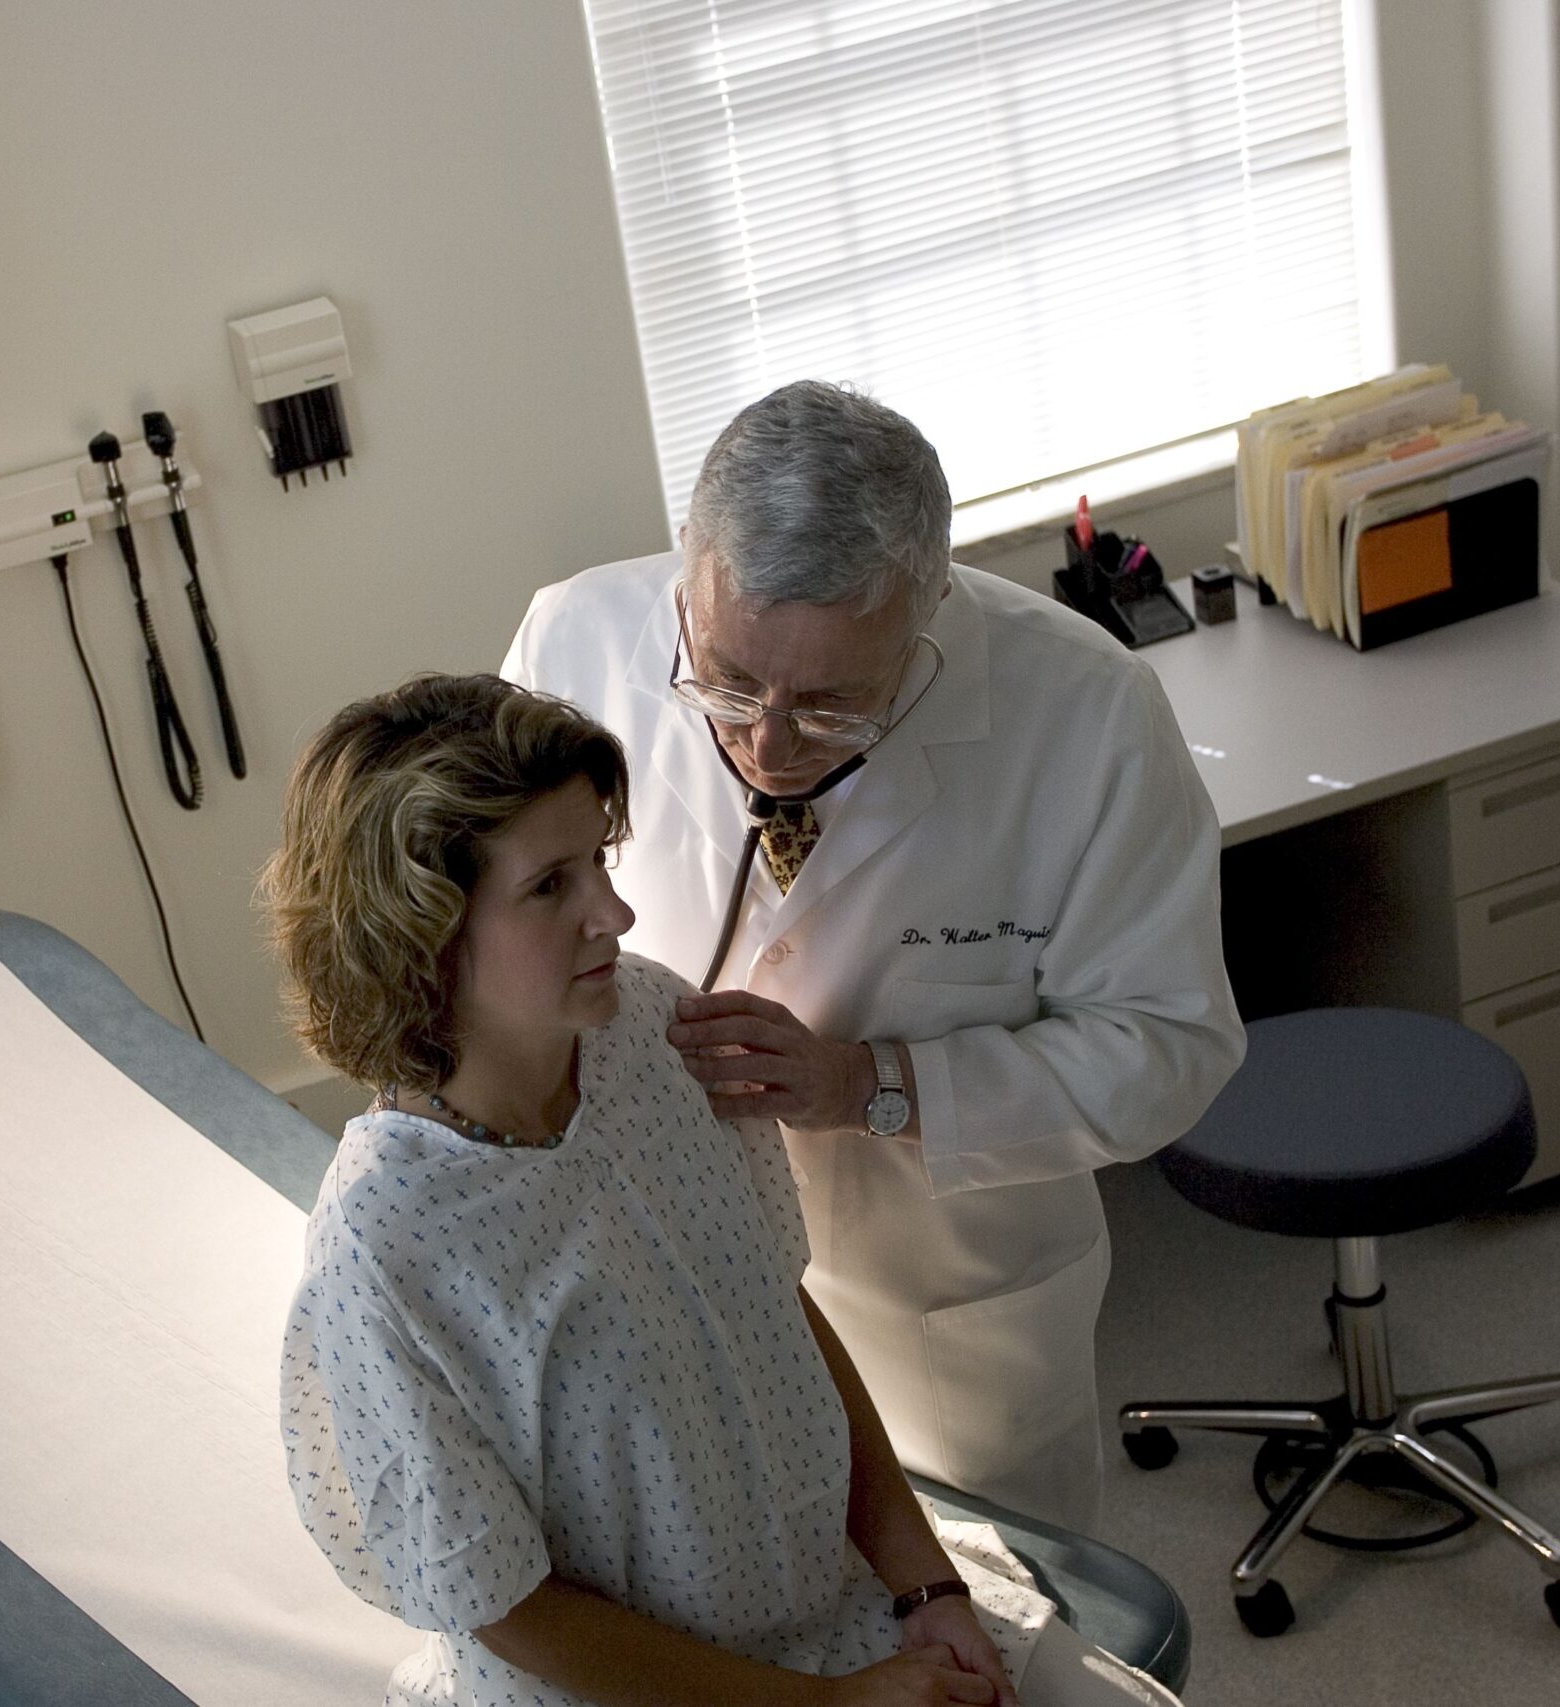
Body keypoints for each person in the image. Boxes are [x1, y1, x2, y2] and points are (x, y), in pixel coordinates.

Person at [265, 674, 1179, 1707]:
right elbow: (508, 1608)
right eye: (549, 886)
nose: (614, 912)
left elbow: (776, 1314)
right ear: (419, 932)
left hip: (826, 1607)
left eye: (598, 863)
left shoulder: (654, 1029)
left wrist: (925, 1584)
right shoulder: (384, 1247)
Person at [501, 382, 1243, 1529]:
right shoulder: (572, 642)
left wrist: (879, 1084)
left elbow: (1169, 1047)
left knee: (993, 1626)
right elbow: (489, 920)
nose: (769, 742)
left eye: (837, 703)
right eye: (729, 683)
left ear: (929, 606)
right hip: (663, 1275)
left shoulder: (1089, 716)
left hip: (952, 1311)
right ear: (686, 574)